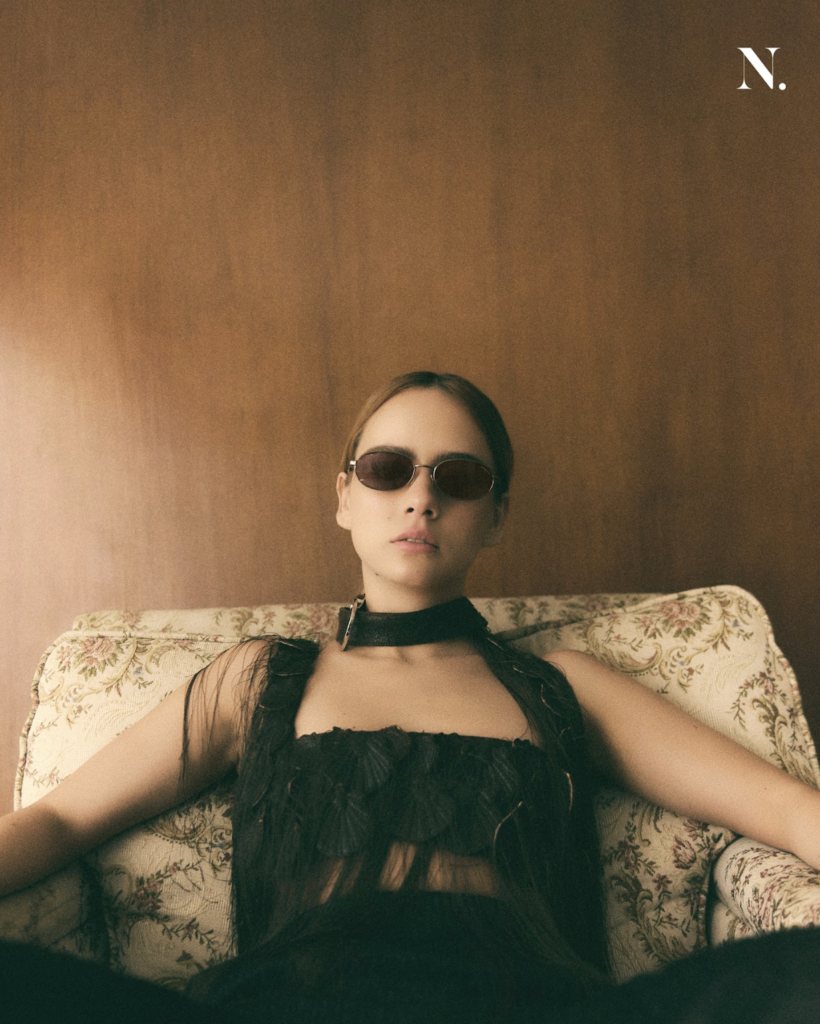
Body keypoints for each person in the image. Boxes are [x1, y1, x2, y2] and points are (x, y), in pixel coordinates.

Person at [1, 370, 820, 1024]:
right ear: (344, 496)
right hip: (291, 1007)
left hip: (533, 1009)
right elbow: (61, 820)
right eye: (387, 469)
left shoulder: (562, 687)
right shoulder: (258, 681)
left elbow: (784, 810)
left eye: (458, 477)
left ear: (495, 515)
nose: (421, 497)